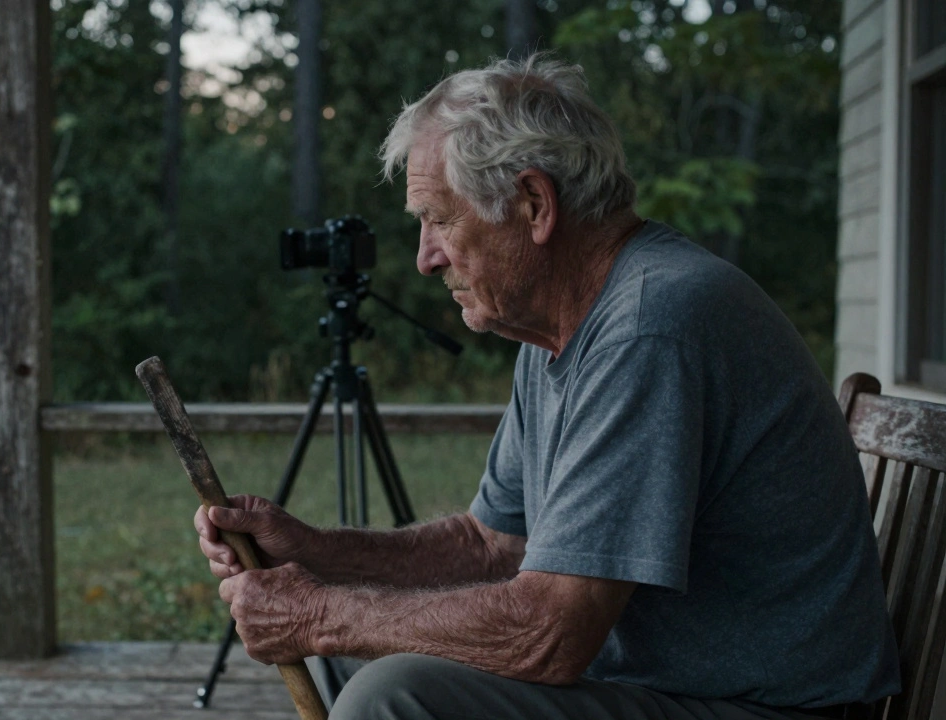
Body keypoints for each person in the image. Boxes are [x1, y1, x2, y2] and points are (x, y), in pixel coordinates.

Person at [194, 54, 900, 720]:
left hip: (766, 706)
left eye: (439, 218)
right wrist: (312, 553)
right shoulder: (564, 326)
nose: (423, 258)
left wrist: (319, 612)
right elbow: (489, 546)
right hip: (667, 683)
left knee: (393, 698)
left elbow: (552, 632)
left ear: (534, 203)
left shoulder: (652, 326)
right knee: (345, 658)